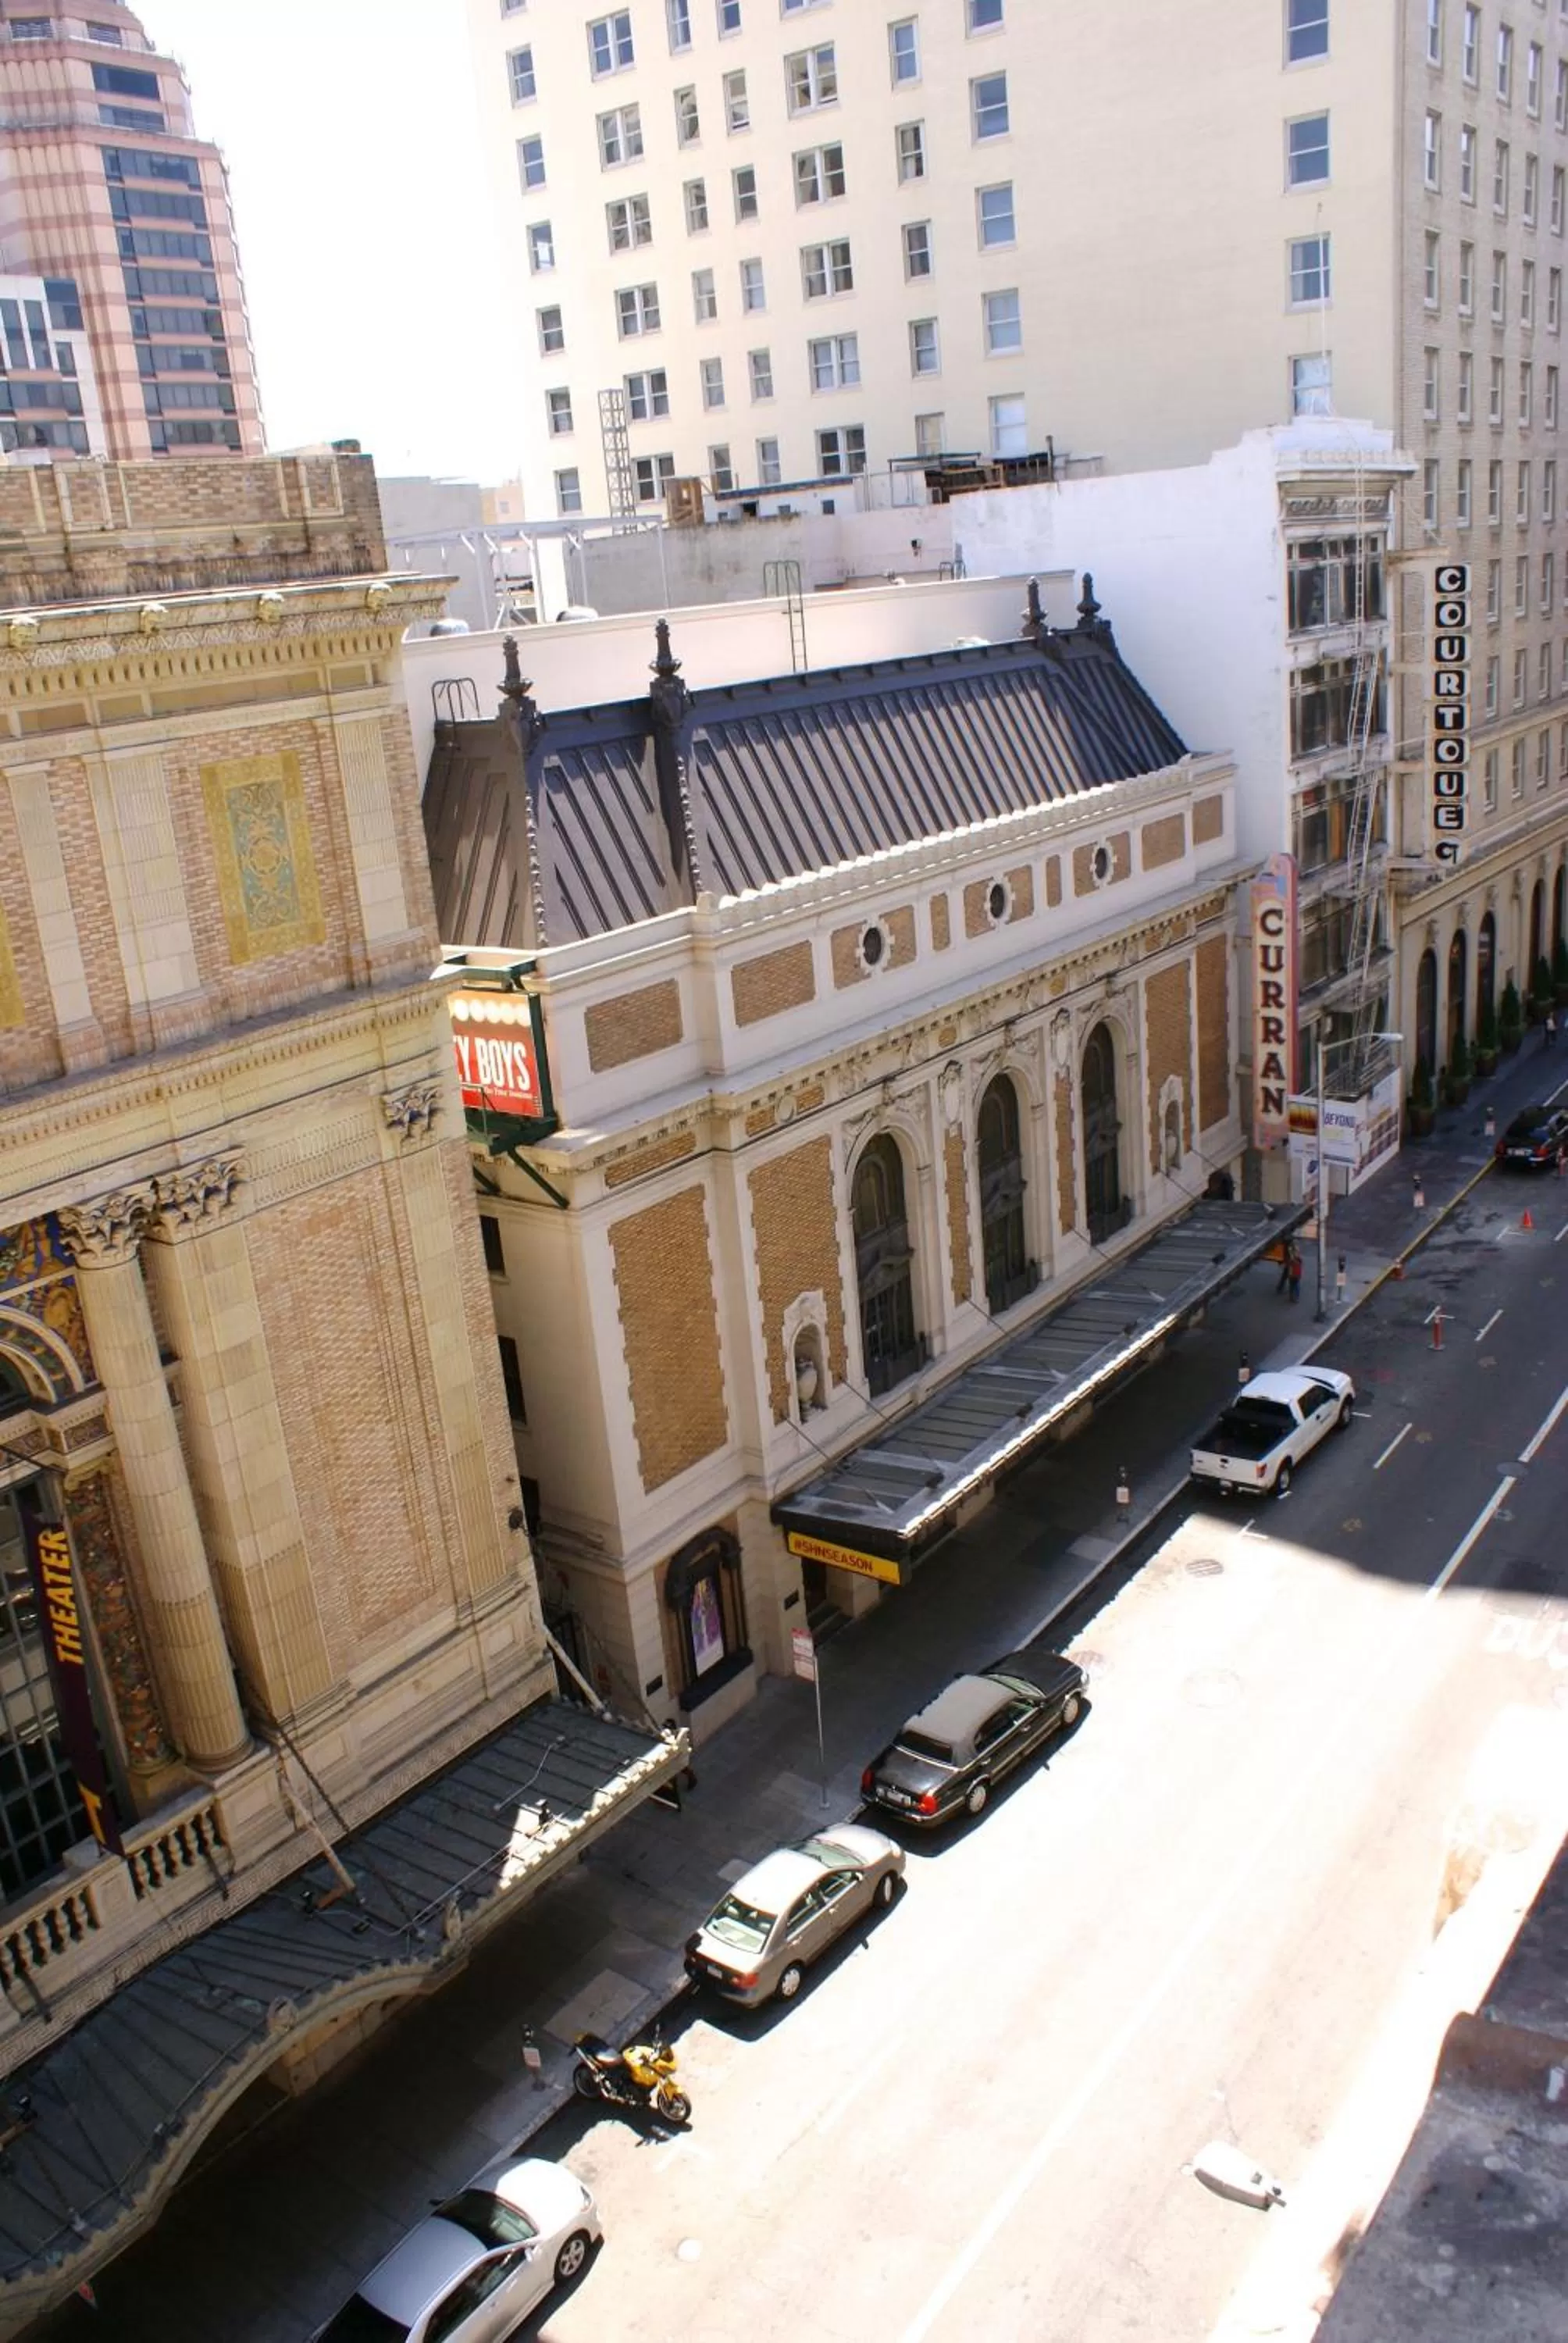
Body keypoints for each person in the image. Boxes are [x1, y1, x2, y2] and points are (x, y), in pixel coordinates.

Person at [1287, 1241, 1303, 1305]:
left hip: (1295, 1275)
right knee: (1293, 1286)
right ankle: (1293, 1297)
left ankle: (1295, 1297)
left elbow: (1295, 1263)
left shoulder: (1297, 1260)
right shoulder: (1294, 1260)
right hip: (1294, 1275)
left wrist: (1291, 1253)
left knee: (1295, 1286)